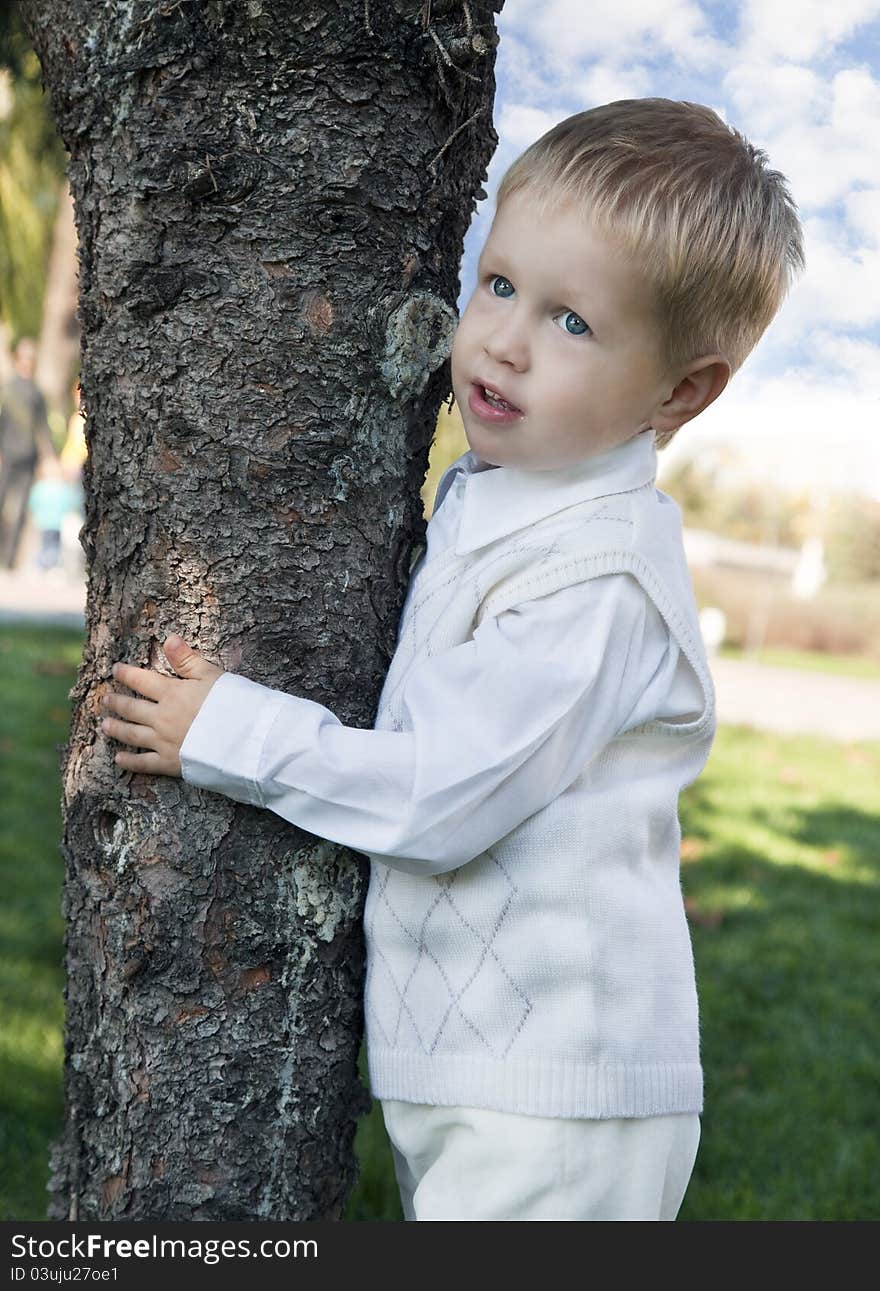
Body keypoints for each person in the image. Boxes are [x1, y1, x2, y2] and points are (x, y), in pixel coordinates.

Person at [99, 99, 805, 1221]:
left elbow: (445, 789)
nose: (506, 340)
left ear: (681, 391)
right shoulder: (500, 503)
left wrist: (227, 732)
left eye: (574, 323)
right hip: (486, 1071)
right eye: (502, 285)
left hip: (562, 1100)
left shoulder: (600, 582)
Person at [0, 336, 58, 569]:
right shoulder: (6, 390)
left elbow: (43, 427)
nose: (27, 362)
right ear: (17, 360)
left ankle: (10, 559)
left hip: (28, 456)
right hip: (6, 456)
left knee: (22, 509)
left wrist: (50, 456)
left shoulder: (36, 392)